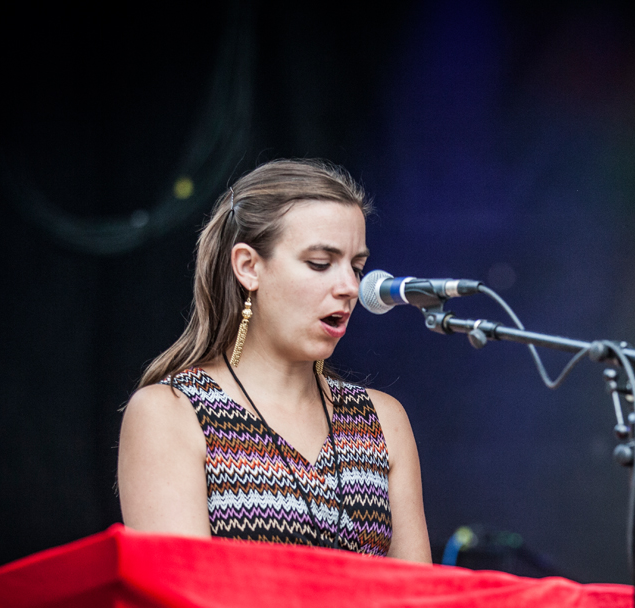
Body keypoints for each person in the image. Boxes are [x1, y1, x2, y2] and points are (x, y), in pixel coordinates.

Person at [117, 159, 431, 564]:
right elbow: (181, 602)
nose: (350, 287)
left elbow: (419, 601)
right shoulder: (171, 413)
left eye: (357, 267)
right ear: (248, 267)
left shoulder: (382, 420)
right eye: (320, 263)